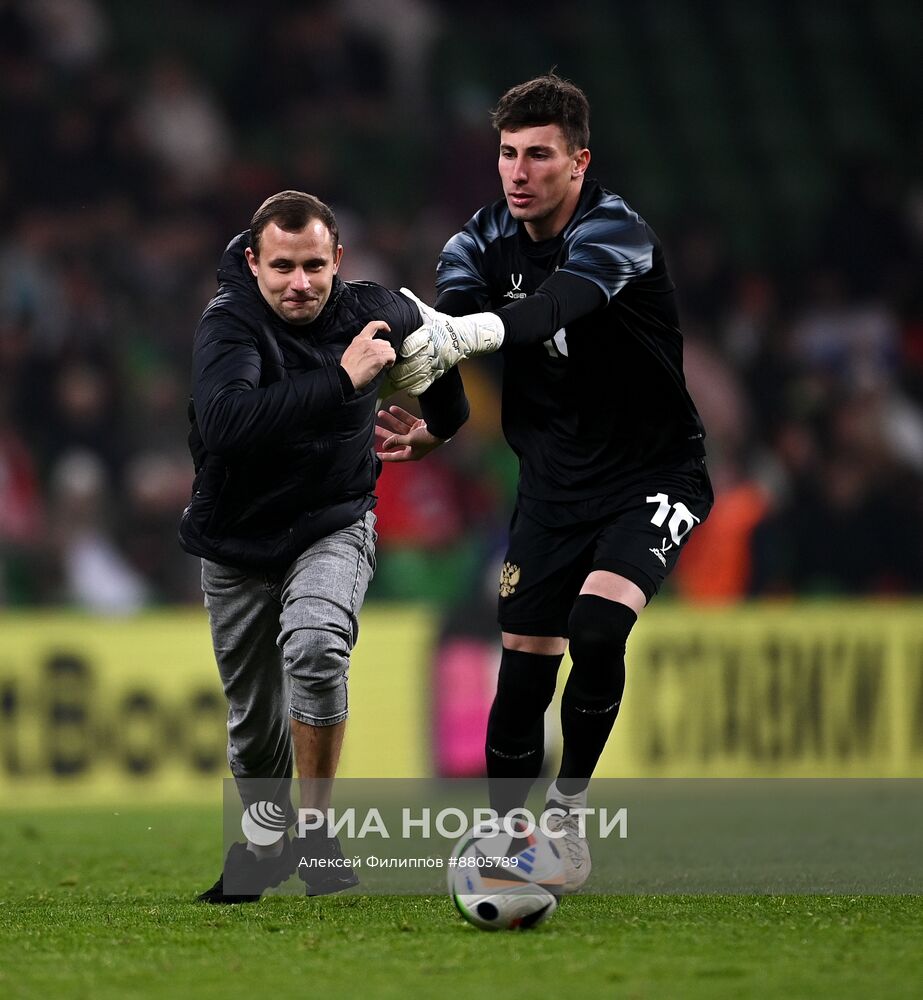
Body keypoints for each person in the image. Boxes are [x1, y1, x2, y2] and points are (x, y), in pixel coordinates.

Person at [378, 74, 712, 891]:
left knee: (597, 629)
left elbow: (550, 309)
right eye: (505, 154)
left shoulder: (615, 234)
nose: (517, 171)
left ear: (577, 161)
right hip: (552, 486)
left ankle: (565, 813)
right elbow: (443, 347)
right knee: (523, 669)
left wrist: (464, 329)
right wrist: (444, 425)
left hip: (652, 474)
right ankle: (504, 836)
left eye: (537, 155)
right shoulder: (475, 244)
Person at [180, 190, 468, 903]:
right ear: (253, 263)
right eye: (282, 267)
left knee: (314, 645)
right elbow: (226, 425)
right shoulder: (228, 325)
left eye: (314, 264)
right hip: (237, 540)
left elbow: (445, 356)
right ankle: (266, 842)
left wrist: (439, 431)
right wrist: (342, 379)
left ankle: (314, 830)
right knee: (253, 723)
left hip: (332, 519)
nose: (299, 282)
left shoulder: (379, 310)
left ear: (338, 259)